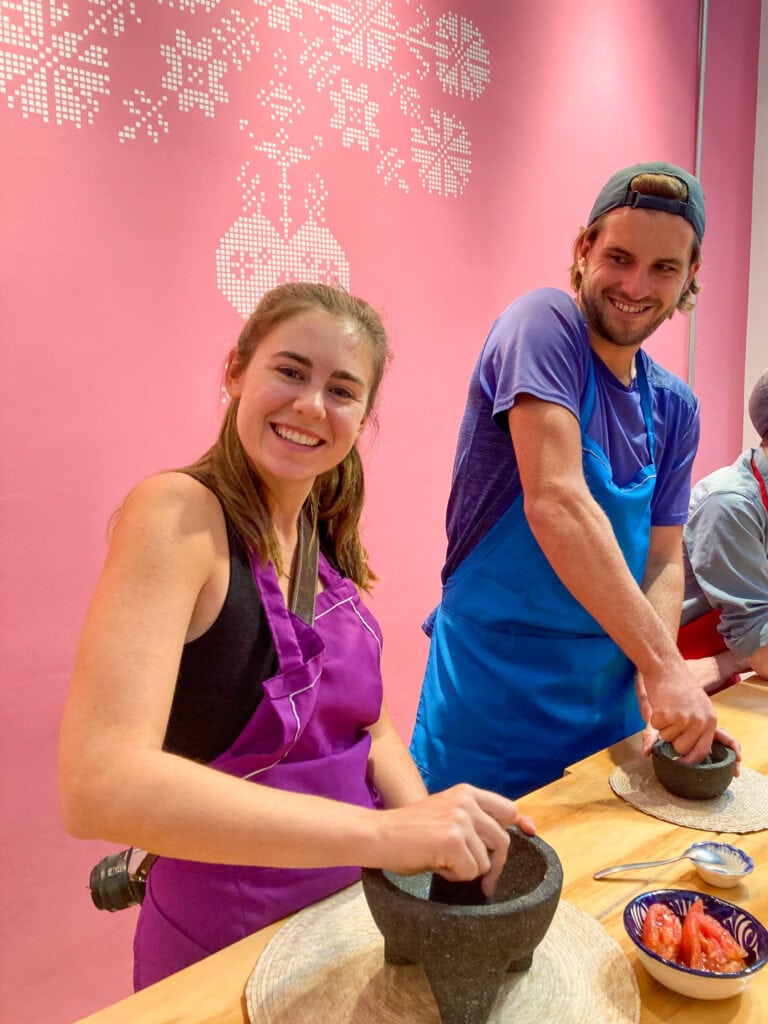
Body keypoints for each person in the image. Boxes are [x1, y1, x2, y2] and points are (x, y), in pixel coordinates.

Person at [58, 283, 535, 990]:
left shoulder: (323, 534)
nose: (312, 405)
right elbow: (98, 786)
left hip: (351, 922)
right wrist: (385, 838)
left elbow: (369, 733)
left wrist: (428, 831)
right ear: (235, 371)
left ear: (363, 417)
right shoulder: (177, 515)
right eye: (290, 371)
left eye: (342, 390)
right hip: (223, 945)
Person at [410, 162, 741, 800]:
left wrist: (655, 679)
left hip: (608, 704)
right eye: (618, 256)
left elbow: (666, 556)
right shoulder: (543, 325)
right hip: (495, 703)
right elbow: (557, 500)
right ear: (582, 248)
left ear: (689, 278)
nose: (635, 285)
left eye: (664, 269)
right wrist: (664, 661)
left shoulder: (675, 408)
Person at [678, 367, 768, 691]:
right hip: (669, 682)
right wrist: (741, 657)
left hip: (718, 670)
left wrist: (728, 662)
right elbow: (761, 650)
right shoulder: (730, 503)